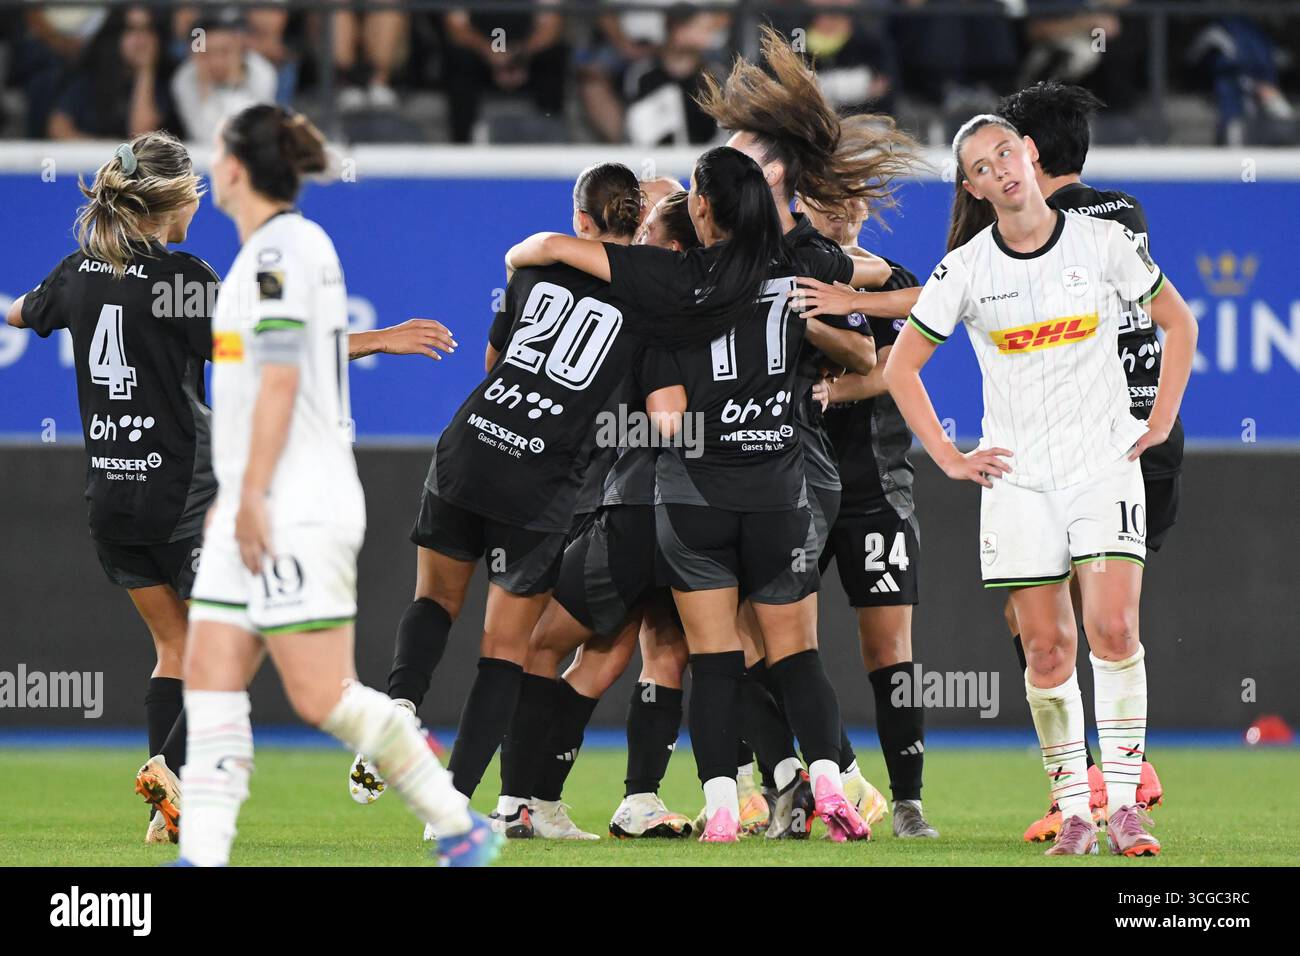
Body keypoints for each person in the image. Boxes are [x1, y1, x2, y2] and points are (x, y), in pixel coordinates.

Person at [506, 146, 874, 844]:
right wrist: (853, 308)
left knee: (698, 657)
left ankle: (717, 807)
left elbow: (550, 248)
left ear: (698, 212)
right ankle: (820, 778)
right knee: (787, 653)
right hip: (779, 495)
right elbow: (885, 283)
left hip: (686, 499)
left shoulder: (670, 279)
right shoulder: (795, 268)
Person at [178, 104, 496, 867]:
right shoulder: (273, 252)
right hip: (252, 501)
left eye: (218, 151)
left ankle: (459, 824)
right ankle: (202, 854)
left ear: (237, 167)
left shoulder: (282, 251)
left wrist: (252, 494)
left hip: (294, 504)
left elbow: (284, 379)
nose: (210, 165)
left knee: (321, 695)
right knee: (210, 676)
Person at [882, 114, 1196, 857]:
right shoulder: (966, 269)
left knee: (1114, 631)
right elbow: (900, 368)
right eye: (983, 166)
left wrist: (1157, 418)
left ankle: (1125, 809)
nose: (1003, 169)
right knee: (1047, 651)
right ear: (974, 187)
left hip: (1102, 468)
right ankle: (1073, 810)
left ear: (1029, 154)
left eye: (1008, 152)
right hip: (1019, 483)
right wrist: (951, 457)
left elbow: (1177, 324)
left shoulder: (1103, 243)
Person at [6, 132, 215, 847]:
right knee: (227, 648)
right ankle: (169, 768)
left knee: (175, 645)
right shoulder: (183, 278)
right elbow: (267, 347)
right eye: (196, 189)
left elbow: (18, 313)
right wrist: (374, 338)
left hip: (112, 498)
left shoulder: (76, 273)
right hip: (180, 494)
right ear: (176, 199)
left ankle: (167, 813)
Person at [989, 81, 1179, 843]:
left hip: (1084, 444)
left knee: (1041, 613)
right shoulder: (1123, 211)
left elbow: (959, 289)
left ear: (1027, 153)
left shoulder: (1038, 228)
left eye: (1006, 150)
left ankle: (1091, 779)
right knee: (1102, 615)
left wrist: (861, 299)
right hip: (1151, 438)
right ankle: (1117, 773)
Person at [798, 194, 940, 839]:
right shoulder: (785, 273)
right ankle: (810, 779)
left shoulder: (894, 279)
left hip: (874, 490)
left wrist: (839, 387)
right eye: (830, 195)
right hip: (791, 485)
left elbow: (896, 368)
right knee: (777, 643)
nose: (846, 207)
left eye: (856, 196)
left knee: (889, 650)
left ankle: (908, 800)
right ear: (801, 201)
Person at [48, 6, 177, 141]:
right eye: (131, 29)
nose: (140, 39)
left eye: (148, 29)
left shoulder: (166, 82)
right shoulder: (92, 75)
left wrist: (145, 71)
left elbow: (142, 136)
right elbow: (58, 127)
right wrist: (102, 152)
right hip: (94, 158)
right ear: (117, 36)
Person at [171, 10, 277, 143]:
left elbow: (251, 133)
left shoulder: (261, 71)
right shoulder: (185, 78)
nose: (217, 62)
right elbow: (205, 136)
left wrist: (232, 85)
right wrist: (204, 87)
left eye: (224, 51)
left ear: (238, 48)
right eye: (207, 53)